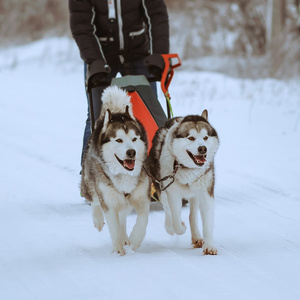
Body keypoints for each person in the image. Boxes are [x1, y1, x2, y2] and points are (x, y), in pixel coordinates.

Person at [69, 0, 170, 166]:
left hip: (137, 51)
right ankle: (91, 175)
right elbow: (81, 24)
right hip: (100, 55)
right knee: (98, 117)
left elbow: (157, 13)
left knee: (148, 111)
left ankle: (155, 171)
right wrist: (93, 60)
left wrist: (159, 54)